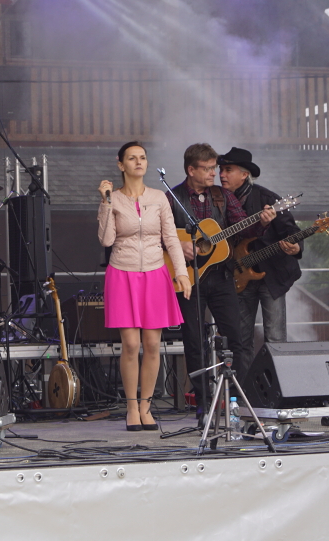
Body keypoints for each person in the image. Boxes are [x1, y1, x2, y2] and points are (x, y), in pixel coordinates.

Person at [167, 143, 274, 420]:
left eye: (214, 168)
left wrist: (262, 222)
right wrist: (178, 245)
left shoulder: (222, 196)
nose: (214, 173)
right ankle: (203, 403)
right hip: (189, 279)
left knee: (235, 338)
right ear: (191, 170)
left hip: (222, 276)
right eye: (207, 169)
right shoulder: (172, 198)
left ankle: (236, 400)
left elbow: (244, 226)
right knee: (194, 341)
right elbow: (156, 234)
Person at [98, 141, 191, 431]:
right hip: (122, 273)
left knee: (152, 344)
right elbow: (106, 240)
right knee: (130, 344)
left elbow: (171, 238)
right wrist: (106, 203)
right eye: (132, 158)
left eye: (142, 157)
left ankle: (146, 407)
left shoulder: (159, 198)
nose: (139, 162)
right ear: (121, 164)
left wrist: (182, 272)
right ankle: (131, 408)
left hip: (155, 272)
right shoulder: (113, 199)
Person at [218, 147, 302, 372]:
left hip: (272, 275)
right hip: (239, 276)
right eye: (221, 170)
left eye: (228, 170)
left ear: (244, 174)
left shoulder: (268, 199)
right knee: (241, 340)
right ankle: (243, 387)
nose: (222, 174)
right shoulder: (218, 201)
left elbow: (291, 231)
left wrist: (295, 247)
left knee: (275, 338)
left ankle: (278, 385)